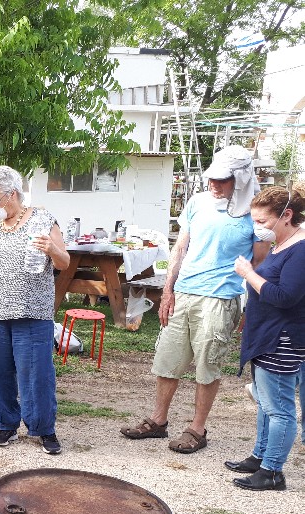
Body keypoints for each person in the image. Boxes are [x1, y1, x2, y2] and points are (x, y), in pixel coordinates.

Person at [120, 145, 270, 452]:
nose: (214, 185)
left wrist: (248, 306)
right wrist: (167, 291)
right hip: (184, 292)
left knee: (207, 364)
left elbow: (260, 264)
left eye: (223, 180)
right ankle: (158, 421)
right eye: (212, 178)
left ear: (240, 179)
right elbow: (180, 248)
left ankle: (197, 429)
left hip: (220, 298)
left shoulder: (254, 213)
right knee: (167, 360)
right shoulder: (198, 202)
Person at [0, 165, 70, 455]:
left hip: (32, 313)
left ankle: (43, 428)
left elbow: (64, 263)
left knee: (36, 375)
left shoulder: (44, 220)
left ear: (12, 195)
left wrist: (53, 250)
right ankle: (5, 424)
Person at [224, 185, 305, 490]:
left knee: (279, 409)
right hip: (265, 337)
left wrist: (249, 274)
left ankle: (273, 472)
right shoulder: (281, 245)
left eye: (263, 221)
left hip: (281, 340)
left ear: (286, 216)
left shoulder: (301, 250)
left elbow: (285, 297)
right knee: (265, 404)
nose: (257, 228)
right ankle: (260, 457)